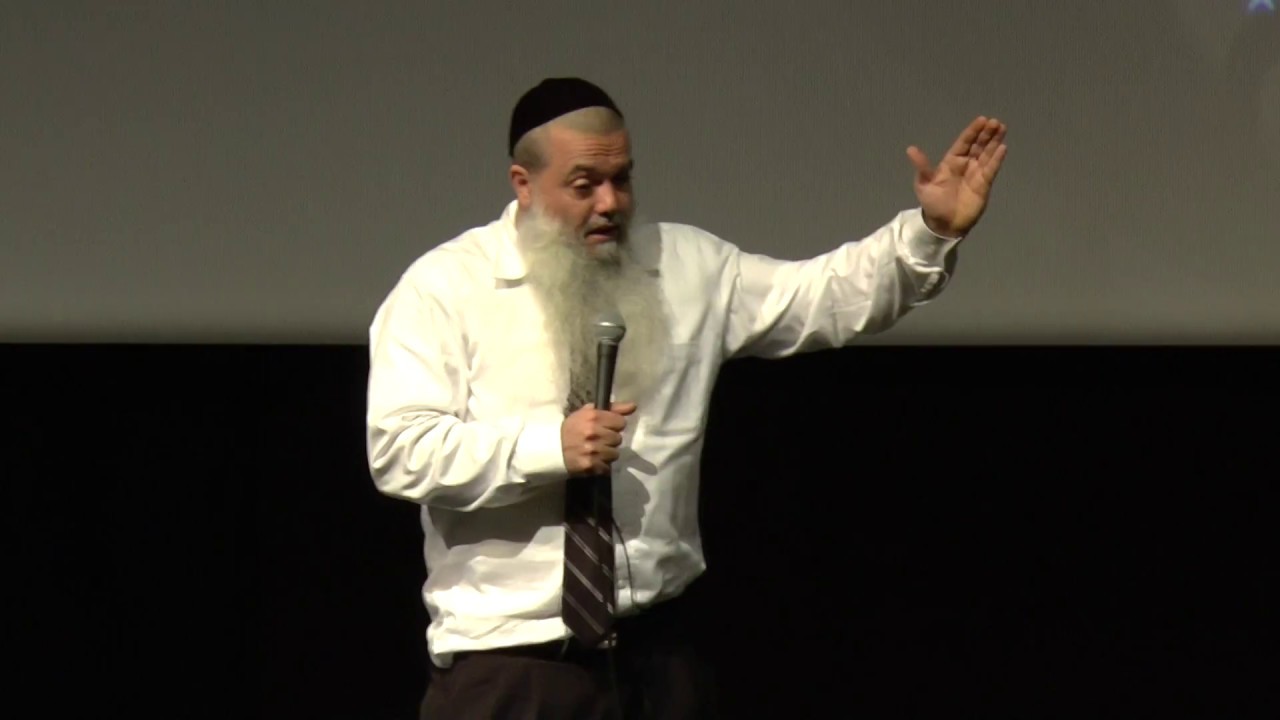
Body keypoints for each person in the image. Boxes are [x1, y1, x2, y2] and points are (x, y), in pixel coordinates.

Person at [364, 77, 1008, 719]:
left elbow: (823, 297)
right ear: (523, 184)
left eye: (622, 179)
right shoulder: (445, 288)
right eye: (584, 185)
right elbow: (398, 451)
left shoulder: (685, 265)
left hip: (660, 660)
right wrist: (548, 448)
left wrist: (930, 231)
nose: (610, 203)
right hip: (513, 665)